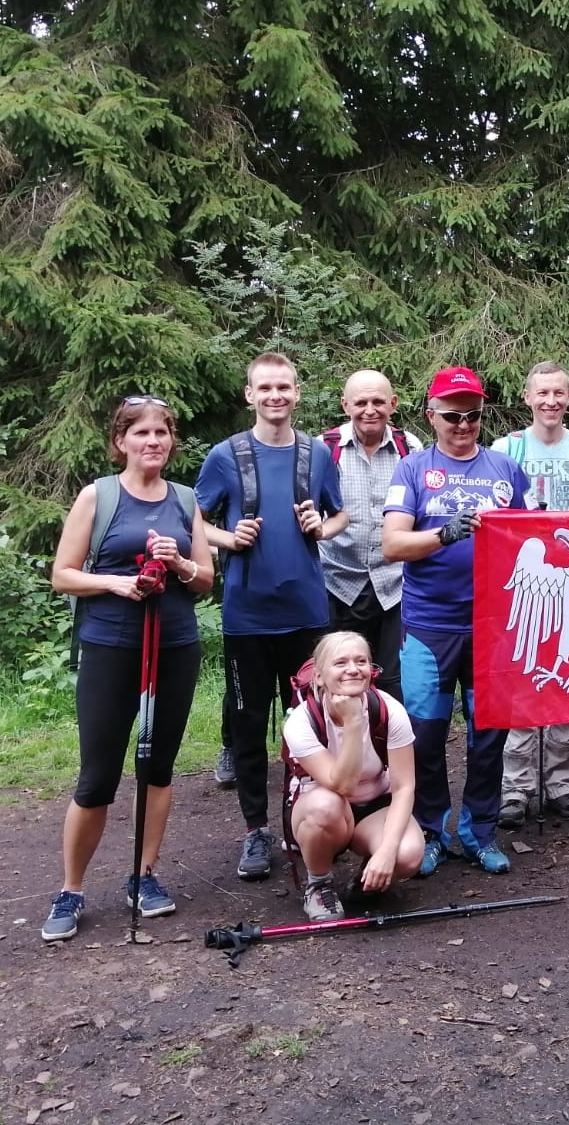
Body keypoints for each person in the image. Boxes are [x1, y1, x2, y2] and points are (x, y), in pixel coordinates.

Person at [43, 396, 214, 941]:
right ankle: (71, 889)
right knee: (97, 775)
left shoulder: (185, 499)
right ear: (121, 441)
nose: (153, 441)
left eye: (162, 432)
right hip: (111, 647)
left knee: (158, 768)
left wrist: (179, 562)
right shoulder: (99, 495)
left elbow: (205, 579)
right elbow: (63, 575)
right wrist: (116, 583)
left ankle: (143, 876)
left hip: (175, 645)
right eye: (141, 433)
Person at [195, 353, 348, 882]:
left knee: (309, 722)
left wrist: (322, 527)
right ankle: (256, 830)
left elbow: (340, 514)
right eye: (265, 388)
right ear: (250, 395)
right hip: (248, 616)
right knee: (248, 723)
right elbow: (192, 519)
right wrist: (226, 537)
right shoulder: (226, 455)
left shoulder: (317, 454)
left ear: (297, 393)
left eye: (284, 386)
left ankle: (305, 819)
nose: (275, 396)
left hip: (306, 613)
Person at [382, 366, 534, 876]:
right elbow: (392, 545)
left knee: (488, 736)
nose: (463, 424)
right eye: (452, 415)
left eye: (472, 415)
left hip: (492, 626)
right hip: (429, 625)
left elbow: (530, 536)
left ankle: (479, 832)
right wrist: (444, 534)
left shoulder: (506, 469)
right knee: (424, 733)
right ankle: (430, 831)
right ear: (431, 416)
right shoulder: (412, 469)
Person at [493, 361, 569, 827]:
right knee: (523, 677)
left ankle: (562, 783)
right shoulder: (508, 448)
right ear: (527, 397)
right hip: (525, 578)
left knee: (568, 672)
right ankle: (515, 787)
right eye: (542, 393)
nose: (550, 401)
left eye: (558, 393)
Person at [283, 631, 425, 921]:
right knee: (326, 806)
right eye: (341, 663)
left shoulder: (389, 710)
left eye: (361, 661)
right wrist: (352, 721)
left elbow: (404, 787)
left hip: (374, 807)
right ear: (319, 676)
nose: (353, 669)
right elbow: (342, 785)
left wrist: (386, 852)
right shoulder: (302, 721)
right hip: (322, 809)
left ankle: (367, 879)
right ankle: (319, 884)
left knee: (408, 855)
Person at [320, 370, 423, 706]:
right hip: (336, 581)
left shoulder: (410, 447)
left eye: (378, 401)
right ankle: (338, 739)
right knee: (337, 678)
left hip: (394, 583)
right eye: (360, 402)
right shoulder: (325, 448)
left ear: (393, 403)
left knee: (394, 681)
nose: (370, 410)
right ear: (345, 405)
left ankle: (392, 739)